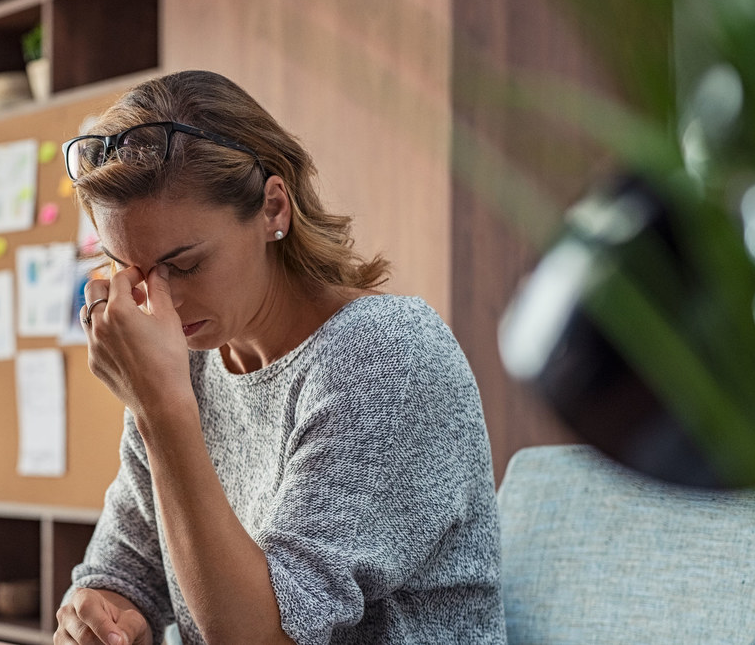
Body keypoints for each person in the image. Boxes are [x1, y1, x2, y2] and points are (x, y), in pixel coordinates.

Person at [55, 70, 505, 645]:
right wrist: (100, 613)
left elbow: (260, 637)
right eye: (131, 272)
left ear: (273, 209)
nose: (157, 304)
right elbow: (125, 570)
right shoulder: (188, 358)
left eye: (184, 265)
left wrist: (161, 409)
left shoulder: (385, 358)